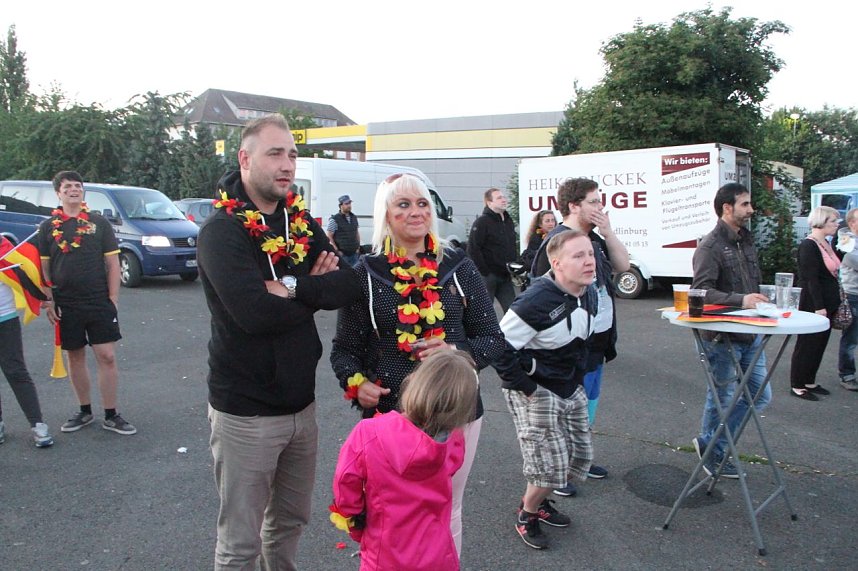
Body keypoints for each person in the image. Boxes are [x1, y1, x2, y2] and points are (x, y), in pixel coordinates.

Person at [197, 114, 360, 570]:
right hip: (245, 411)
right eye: (275, 153)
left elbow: (346, 283)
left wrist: (289, 285)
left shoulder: (299, 222)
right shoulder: (222, 232)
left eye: (291, 153)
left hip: (300, 405)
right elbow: (253, 314)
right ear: (245, 159)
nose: (287, 164)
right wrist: (310, 285)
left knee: (289, 522)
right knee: (240, 542)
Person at [330, 172, 504, 556]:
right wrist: (358, 384)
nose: (415, 212)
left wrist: (455, 352)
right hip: (392, 416)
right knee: (386, 512)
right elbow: (344, 349)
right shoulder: (366, 274)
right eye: (403, 204)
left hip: (455, 411)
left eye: (422, 203)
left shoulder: (459, 266)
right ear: (385, 215)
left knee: (446, 509)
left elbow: (493, 339)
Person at [493, 230, 597, 550]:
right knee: (547, 466)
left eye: (590, 253)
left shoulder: (587, 291)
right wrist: (528, 388)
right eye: (578, 256)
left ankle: (540, 502)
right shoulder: (536, 301)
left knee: (576, 455)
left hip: (568, 387)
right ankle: (527, 514)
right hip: (535, 390)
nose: (589, 261)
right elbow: (499, 348)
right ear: (557, 264)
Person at [330, 350, 479, 571]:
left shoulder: (368, 433)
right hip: (437, 553)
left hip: (384, 553)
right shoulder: (455, 441)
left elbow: (346, 485)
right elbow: (452, 469)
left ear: (413, 383)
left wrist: (357, 527)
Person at [532, 177, 630, 496]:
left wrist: (609, 231)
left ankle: (577, 459)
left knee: (585, 404)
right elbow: (538, 296)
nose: (600, 207)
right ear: (574, 206)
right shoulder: (559, 240)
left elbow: (623, 265)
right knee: (562, 406)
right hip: (570, 345)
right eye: (594, 202)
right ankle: (555, 474)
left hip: (597, 341)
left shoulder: (595, 240)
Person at [37, 170, 135, 436]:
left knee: (107, 356)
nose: (74, 189)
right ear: (58, 192)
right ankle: (84, 410)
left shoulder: (98, 223)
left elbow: (113, 263)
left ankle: (112, 414)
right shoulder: (48, 228)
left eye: (78, 186)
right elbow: (43, 270)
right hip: (66, 303)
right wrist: (49, 300)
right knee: (75, 356)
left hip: (98, 301)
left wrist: (113, 299)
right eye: (67, 186)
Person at [690, 183, 770, 477]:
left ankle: (711, 444)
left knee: (760, 394)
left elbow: (752, 283)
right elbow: (700, 293)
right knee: (721, 398)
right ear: (727, 207)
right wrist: (742, 300)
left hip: (751, 331)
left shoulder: (745, 240)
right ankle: (715, 454)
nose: (751, 210)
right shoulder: (710, 247)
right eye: (746, 204)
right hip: (722, 337)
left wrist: (761, 300)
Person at [0, 237, 53, 448]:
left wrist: (41, 297)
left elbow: (24, 271)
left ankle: (37, 424)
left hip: (5, 318)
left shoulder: (3, 246)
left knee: (16, 371)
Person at [789, 205, 841, 400]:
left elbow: (833, 269)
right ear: (821, 222)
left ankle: (809, 380)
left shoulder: (827, 243)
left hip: (828, 301)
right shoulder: (808, 245)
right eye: (833, 221)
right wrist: (819, 306)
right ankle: (797, 383)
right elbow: (811, 279)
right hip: (814, 302)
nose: (836, 224)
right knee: (807, 343)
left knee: (820, 343)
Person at [468, 187, 517, 313]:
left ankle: (509, 333)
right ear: (489, 203)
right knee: (484, 313)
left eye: (504, 197)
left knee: (513, 311)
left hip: (505, 275)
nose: (504, 200)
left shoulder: (508, 221)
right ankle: (485, 333)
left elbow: (510, 245)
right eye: (499, 198)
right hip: (488, 276)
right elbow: (473, 248)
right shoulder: (482, 222)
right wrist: (485, 272)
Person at [837, 208, 858, 391]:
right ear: (852, 223)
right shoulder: (847, 244)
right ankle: (847, 374)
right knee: (851, 339)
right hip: (853, 296)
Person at [326, 194, 361, 267]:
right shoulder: (334, 220)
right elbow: (329, 236)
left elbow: (356, 233)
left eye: (350, 203)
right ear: (340, 205)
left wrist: (358, 247)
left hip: (354, 253)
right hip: (343, 254)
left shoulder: (354, 217)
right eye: (346, 204)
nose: (349, 205)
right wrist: (337, 250)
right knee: (344, 274)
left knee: (354, 274)